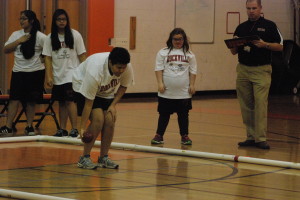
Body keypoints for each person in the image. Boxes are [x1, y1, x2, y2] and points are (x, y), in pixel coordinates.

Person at [230, 0, 283, 149]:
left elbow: (280, 46)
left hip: (261, 70)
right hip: (243, 69)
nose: (251, 11)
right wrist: (234, 44)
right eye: (248, 8)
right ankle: (250, 137)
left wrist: (265, 44)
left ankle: (261, 138)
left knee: (260, 103)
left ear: (260, 8)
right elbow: (233, 52)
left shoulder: (270, 26)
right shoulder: (241, 27)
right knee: (246, 105)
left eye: (254, 8)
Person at [73, 47, 134, 169]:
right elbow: (89, 103)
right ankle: (84, 158)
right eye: (118, 68)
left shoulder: (126, 67)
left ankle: (103, 157)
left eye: (123, 68)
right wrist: (82, 127)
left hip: (105, 91)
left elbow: (123, 86)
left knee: (110, 119)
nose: (121, 71)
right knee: (98, 119)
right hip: (81, 86)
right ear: (110, 63)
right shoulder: (95, 70)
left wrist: (113, 105)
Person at [0, 10, 46, 136]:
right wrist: (19, 41)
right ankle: (8, 126)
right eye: (20, 18)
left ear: (31, 20)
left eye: (24, 19)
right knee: (14, 99)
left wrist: (42, 59)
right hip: (18, 72)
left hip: (36, 72)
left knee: (31, 101)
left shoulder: (41, 36)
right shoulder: (16, 34)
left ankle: (29, 126)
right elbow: (5, 49)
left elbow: (48, 53)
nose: (21, 21)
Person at [43, 9, 86, 137]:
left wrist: (84, 73)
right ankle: (62, 129)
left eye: (64, 19)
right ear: (55, 21)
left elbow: (82, 55)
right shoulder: (50, 37)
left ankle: (74, 128)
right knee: (61, 102)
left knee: (70, 101)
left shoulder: (75, 35)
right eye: (59, 19)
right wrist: (49, 76)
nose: (62, 22)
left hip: (72, 74)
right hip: (58, 75)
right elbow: (47, 58)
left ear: (67, 21)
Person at [151, 28, 197, 145]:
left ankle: (184, 136)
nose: (178, 41)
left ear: (184, 39)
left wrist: (192, 85)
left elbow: (193, 71)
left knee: (183, 115)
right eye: (175, 39)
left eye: (180, 39)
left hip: (183, 92)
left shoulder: (190, 54)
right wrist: (160, 83)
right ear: (171, 39)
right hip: (166, 92)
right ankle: (159, 135)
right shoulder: (163, 52)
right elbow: (158, 69)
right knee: (164, 114)